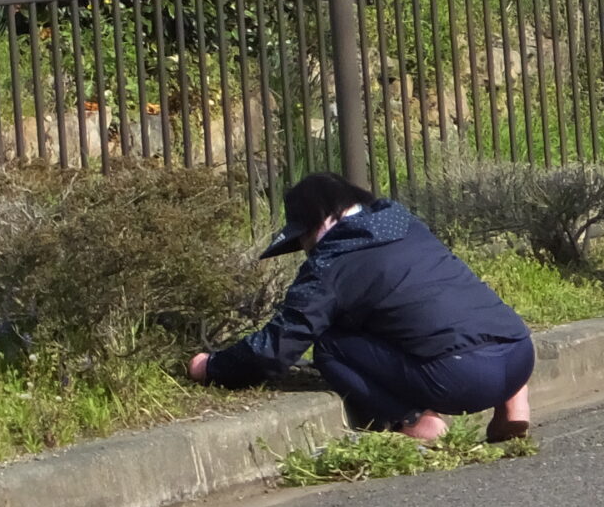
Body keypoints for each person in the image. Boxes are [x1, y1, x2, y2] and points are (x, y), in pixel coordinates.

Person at [191, 173, 534, 445]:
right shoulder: (405, 225)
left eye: (302, 239)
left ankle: (415, 421)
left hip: (461, 378)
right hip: (519, 353)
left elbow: (277, 348)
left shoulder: (332, 261)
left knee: (329, 346)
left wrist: (214, 366)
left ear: (314, 224)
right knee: (450, 319)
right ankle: (514, 404)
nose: (305, 249)